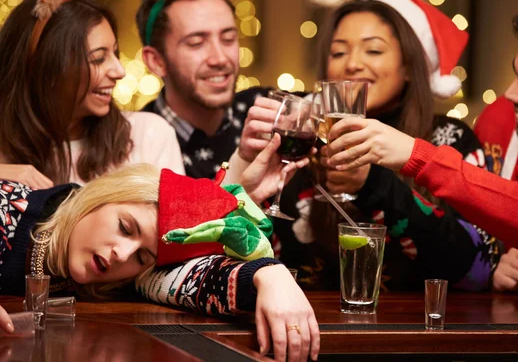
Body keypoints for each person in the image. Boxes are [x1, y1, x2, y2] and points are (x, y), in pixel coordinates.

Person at [325, 0, 518, 294]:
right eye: (516, 75)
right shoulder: (500, 119)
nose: (510, 94)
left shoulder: (450, 135)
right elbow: (480, 233)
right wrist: (498, 268)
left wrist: (416, 156)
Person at [236, 0, 500, 291]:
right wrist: (249, 186)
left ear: (411, 67)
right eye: (338, 52)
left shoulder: (449, 140)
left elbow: (478, 272)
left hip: (417, 330)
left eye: (373, 50)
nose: (352, 64)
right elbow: (251, 254)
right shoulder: (305, 143)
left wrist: (374, 184)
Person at [0, 133, 318, 362]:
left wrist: (270, 275)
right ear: (99, 197)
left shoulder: (127, 276)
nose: (122, 254)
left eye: (142, 256)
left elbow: (198, 280)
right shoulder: (9, 208)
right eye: (125, 227)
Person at [0, 0, 184, 188]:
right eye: (98, 58)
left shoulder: (148, 135)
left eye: (115, 53)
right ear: (47, 70)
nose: (120, 71)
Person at [136, 0, 274, 179]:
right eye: (196, 43)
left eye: (228, 39)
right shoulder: (136, 146)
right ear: (157, 61)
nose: (219, 58)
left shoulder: (263, 111)